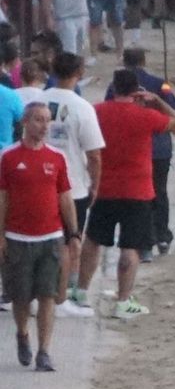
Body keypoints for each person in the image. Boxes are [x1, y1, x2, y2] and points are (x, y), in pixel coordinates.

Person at [80, 68, 175, 319]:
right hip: (137, 189)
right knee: (131, 246)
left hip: (105, 187)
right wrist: (158, 101)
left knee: (93, 240)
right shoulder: (145, 116)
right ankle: (123, 300)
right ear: (137, 90)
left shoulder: (97, 111)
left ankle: (80, 291)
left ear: (114, 86)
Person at [0, 102, 80, 372]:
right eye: (38, 120)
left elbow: (65, 197)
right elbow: (3, 199)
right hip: (17, 237)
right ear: (25, 122)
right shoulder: (8, 157)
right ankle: (22, 333)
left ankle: (44, 351)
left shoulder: (56, 158)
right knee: (21, 296)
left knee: (48, 294)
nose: (44, 126)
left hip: (51, 236)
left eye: (47, 120)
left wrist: (74, 234)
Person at [41, 55, 105, 318]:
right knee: (69, 242)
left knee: (39, 237)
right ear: (79, 73)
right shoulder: (81, 107)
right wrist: (95, 185)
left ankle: (37, 293)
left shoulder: (39, 100)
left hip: (40, 178)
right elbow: (94, 154)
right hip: (72, 183)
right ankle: (61, 297)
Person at [110, 48, 175, 257]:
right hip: (159, 147)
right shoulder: (159, 83)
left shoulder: (118, 84)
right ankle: (162, 236)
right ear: (144, 60)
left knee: (140, 195)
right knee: (159, 191)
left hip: (132, 146)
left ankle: (146, 241)